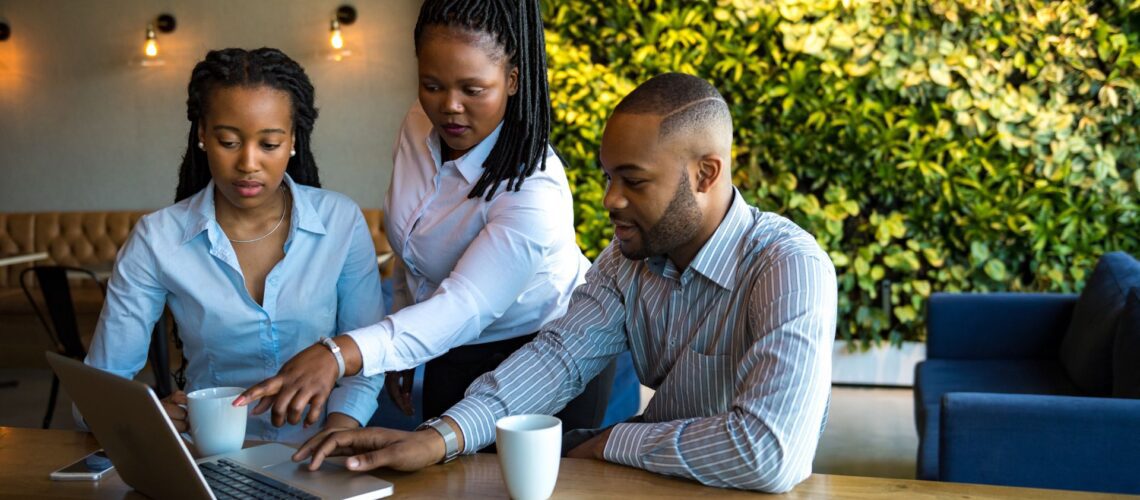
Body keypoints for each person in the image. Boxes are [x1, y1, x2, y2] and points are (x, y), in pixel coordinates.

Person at [294, 73, 838, 493]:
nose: (610, 200)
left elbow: (769, 452)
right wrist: (439, 439)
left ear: (706, 174)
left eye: (633, 180)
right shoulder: (626, 262)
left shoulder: (789, 267)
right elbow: (555, 360)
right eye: (607, 177)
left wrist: (610, 441)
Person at [235, 0, 618, 437]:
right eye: (432, 85)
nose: (449, 107)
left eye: (472, 90)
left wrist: (340, 353)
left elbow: (464, 306)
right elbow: (411, 249)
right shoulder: (419, 124)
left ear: (512, 80)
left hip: (544, 354)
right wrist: (401, 347)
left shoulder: (533, 189)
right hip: (447, 343)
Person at [84, 48, 385, 444]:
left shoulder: (340, 221)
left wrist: (336, 437)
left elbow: (365, 355)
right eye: (229, 141)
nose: (248, 163)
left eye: (270, 144)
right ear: (203, 136)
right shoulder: (157, 239)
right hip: (208, 451)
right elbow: (99, 388)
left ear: (293, 141)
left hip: (320, 449)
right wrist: (151, 415)